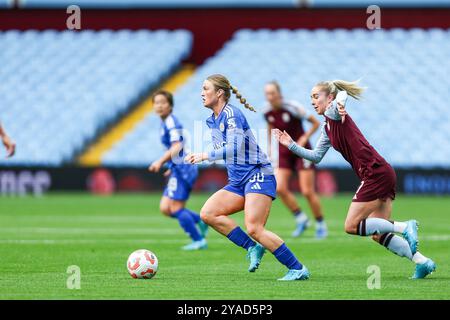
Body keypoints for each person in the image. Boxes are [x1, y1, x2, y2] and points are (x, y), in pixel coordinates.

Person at [275, 80, 436, 279]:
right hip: (382, 172)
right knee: (378, 233)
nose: (312, 101)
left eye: (316, 96)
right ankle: (423, 262)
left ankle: (405, 226)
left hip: (374, 173)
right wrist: (290, 145)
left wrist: (341, 103)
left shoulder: (333, 111)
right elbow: (316, 156)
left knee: (351, 226)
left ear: (330, 98)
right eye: (311, 97)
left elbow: (342, 96)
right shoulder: (327, 127)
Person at [185, 74, 309, 281]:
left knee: (254, 227)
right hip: (238, 181)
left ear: (219, 93)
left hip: (258, 174)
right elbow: (226, 152)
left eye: (206, 88)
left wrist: (204, 155)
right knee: (208, 213)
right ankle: (252, 247)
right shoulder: (212, 120)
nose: (201, 93)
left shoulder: (232, 114)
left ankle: (297, 268)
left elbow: (233, 147)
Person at [264, 81, 327, 238]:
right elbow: (270, 129)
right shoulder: (267, 112)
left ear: (279, 94)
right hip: (283, 152)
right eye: (267, 94)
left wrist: (304, 138)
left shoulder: (292, 107)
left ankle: (320, 223)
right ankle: (301, 218)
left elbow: (315, 122)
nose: (269, 96)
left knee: (307, 191)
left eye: (272, 93)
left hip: (301, 151)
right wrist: (270, 150)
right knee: (279, 188)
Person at [148, 90, 208, 251]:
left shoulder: (171, 123)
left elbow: (178, 145)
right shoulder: (164, 123)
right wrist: (171, 167)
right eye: (156, 103)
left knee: (175, 208)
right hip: (178, 168)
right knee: (165, 208)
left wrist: (160, 161)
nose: (159, 106)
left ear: (170, 106)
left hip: (185, 168)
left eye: (163, 102)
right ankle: (199, 220)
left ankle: (198, 240)